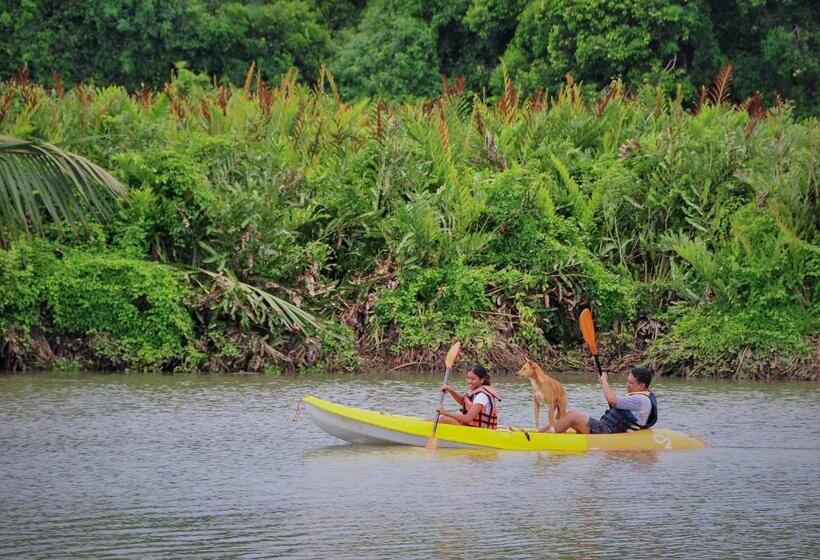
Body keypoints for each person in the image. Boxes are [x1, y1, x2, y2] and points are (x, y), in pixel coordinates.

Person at [538, 366, 657, 434]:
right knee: (566, 415)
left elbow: (611, 399)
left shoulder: (640, 400)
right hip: (607, 428)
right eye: (627, 381)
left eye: (631, 383)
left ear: (641, 386)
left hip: (607, 432)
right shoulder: (642, 397)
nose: (627, 385)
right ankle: (539, 432)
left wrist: (604, 380)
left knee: (573, 415)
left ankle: (543, 437)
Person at [436, 363, 500, 429]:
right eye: (468, 378)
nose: (469, 381)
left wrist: (444, 412)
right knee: (441, 419)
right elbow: (463, 402)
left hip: (481, 431)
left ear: (482, 380)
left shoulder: (482, 396)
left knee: (443, 419)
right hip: (473, 427)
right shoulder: (475, 391)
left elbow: (468, 419)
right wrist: (450, 390)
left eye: (473, 379)